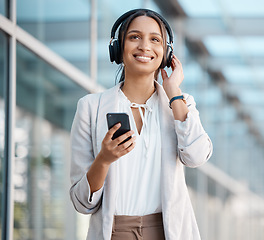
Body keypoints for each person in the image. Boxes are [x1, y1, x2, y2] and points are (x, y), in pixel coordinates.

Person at [70, 8, 213, 240]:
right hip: (114, 232)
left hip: (167, 231)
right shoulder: (90, 108)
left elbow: (196, 157)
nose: (145, 46)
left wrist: (174, 93)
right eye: (134, 37)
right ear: (117, 48)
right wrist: (104, 160)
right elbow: (81, 202)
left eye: (155, 39)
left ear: (166, 54)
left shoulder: (181, 104)